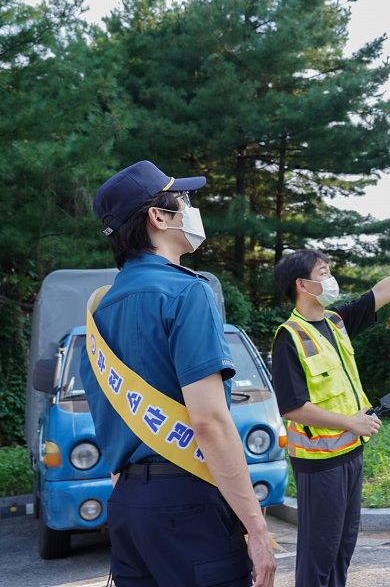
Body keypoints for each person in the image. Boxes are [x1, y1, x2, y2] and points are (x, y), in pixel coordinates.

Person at [81, 160, 276, 587]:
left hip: (129, 505)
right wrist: (256, 528)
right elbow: (207, 421)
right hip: (189, 500)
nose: (190, 209)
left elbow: (111, 424)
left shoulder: (97, 314)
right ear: (158, 216)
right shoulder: (188, 291)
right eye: (183, 200)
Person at [270, 232, 390, 587]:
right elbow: (292, 407)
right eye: (323, 273)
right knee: (319, 552)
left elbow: (382, 292)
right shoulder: (289, 337)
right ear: (303, 284)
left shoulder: (336, 322)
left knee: (343, 546)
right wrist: (350, 422)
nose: (330, 279)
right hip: (319, 463)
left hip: (349, 454)